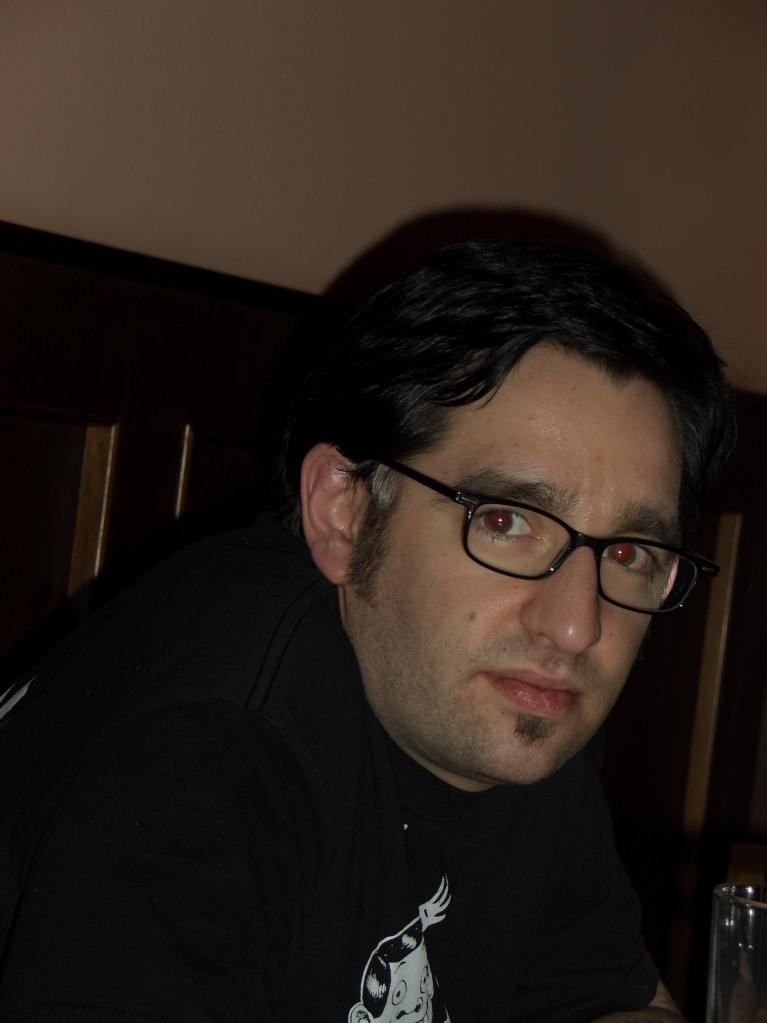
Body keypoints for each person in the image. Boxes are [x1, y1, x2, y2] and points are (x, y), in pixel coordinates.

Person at [0, 240, 734, 1021]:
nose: (576, 624)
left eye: (627, 552)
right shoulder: (211, 737)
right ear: (343, 511)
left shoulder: (513, 697)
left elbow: (609, 999)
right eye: (505, 520)